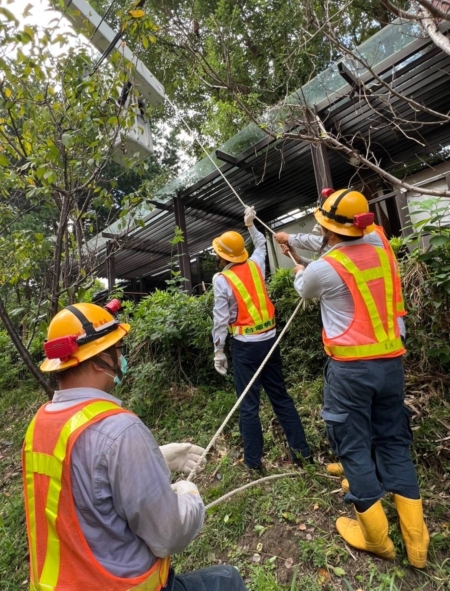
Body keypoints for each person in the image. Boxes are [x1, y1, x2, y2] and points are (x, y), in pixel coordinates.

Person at [22, 300, 248, 591]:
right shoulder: (120, 430)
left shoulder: (39, 427)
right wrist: (188, 493)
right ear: (98, 359)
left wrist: (156, 459)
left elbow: (83, 488)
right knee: (227, 580)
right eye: (117, 349)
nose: (120, 356)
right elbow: (169, 534)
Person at [281, 188, 428, 568]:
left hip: (350, 372)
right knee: (393, 442)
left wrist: (298, 263)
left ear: (329, 229)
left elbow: (304, 284)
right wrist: (294, 240)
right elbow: (328, 241)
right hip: (391, 365)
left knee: (354, 447)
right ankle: (417, 544)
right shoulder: (379, 243)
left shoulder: (322, 270)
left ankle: (377, 539)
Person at [211, 206, 312, 472]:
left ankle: (254, 463)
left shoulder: (222, 280)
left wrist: (218, 351)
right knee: (280, 397)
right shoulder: (256, 263)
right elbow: (260, 243)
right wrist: (251, 225)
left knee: (249, 405)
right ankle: (303, 455)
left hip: (246, 347)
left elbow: (220, 320)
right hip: (270, 341)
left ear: (222, 256)